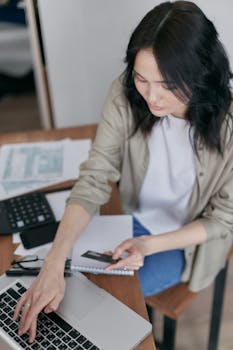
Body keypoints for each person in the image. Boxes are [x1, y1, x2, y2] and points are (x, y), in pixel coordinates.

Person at [14, 0, 233, 343]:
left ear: (200, 74)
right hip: (125, 217)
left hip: (180, 242)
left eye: (168, 85)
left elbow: (224, 219)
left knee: (99, 303)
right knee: (49, 274)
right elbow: (94, 178)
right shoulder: (125, 93)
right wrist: (53, 263)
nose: (152, 97)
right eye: (142, 78)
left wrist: (149, 245)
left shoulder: (228, 128)